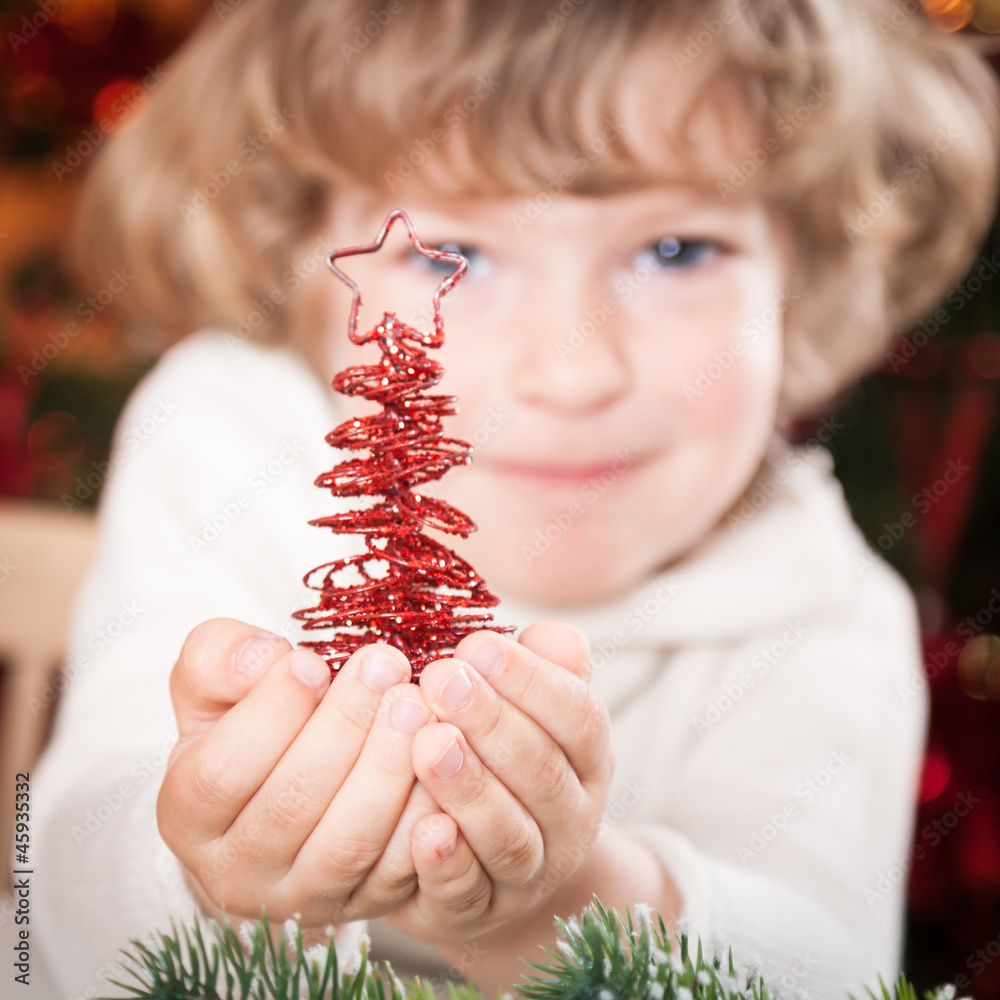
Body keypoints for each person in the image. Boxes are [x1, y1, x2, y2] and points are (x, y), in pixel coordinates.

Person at [29, 1, 1000, 997]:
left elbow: (822, 970)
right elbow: (42, 899)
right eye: (457, 255)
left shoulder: (828, 616)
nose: (570, 371)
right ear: (298, 265)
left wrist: (561, 898)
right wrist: (204, 868)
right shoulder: (222, 436)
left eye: (675, 250)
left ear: (805, 277)